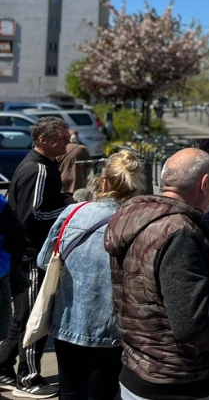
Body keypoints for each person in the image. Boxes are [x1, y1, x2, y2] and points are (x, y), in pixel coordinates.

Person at [105, 148, 209, 400]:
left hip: (141, 367)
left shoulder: (138, 217)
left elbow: (156, 284)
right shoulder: (180, 232)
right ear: (205, 183)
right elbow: (191, 320)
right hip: (177, 379)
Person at [36, 151, 143, 400]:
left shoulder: (72, 212)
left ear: (103, 183)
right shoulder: (135, 222)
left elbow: (44, 261)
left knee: (69, 391)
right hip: (111, 329)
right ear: (134, 188)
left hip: (67, 321)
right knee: (102, 393)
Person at [0, 116, 73, 399]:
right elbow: (34, 215)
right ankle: (28, 379)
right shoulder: (38, 169)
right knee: (34, 317)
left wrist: (65, 201)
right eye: (62, 138)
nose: (68, 141)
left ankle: (3, 369)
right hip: (31, 255)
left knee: (22, 317)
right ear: (43, 140)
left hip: (26, 254)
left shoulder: (44, 165)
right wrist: (70, 210)